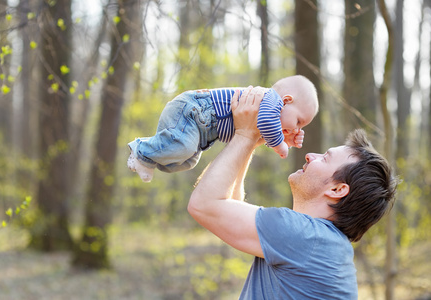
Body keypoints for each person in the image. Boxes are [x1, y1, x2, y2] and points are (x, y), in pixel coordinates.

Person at [187, 87, 397, 299]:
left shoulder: (304, 236)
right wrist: (251, 139)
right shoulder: (318, 241)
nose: (309, 156)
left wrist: (245, 133)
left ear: (337, 189)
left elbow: (204, 205)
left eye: (324, 158)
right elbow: (230, 209)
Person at [127, 75, 319, 182]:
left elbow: (260, 134)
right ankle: (142, 149)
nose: (297, 128)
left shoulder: (268, 115)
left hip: (201, 130)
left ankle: (149, 159)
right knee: (183, 148)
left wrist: (285, 139)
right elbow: (267, 124)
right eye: (299, 121)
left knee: (188, 160)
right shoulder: (271, 99)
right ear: (286, 101)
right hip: (194, 110)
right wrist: (281, 146)